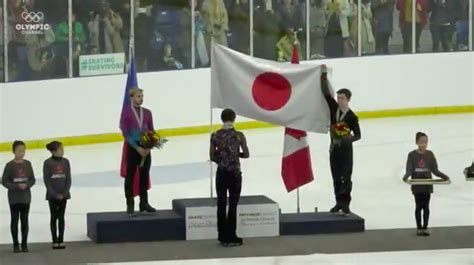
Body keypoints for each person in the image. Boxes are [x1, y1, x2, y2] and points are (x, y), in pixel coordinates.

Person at [320, 65, 361, 215]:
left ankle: (346, 204)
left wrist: (348, 139)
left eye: (342, 98)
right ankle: (338, 202)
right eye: (338, 97)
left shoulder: (351, 117)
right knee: (336, 178)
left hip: (346, 151)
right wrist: (323, 75)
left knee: (346, 179)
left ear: (348, 99)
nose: (339, 100)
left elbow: (358, 135)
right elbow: (325, 94)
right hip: (334, 150)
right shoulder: (333, 108)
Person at [210, 109, 250, 247]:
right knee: (232, 205)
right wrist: (234, 155)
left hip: (221, 173)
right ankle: (231, 236)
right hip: (234, 174)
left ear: (222, 119)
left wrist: (223, 159)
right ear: (233, 119)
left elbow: (212, 156)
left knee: (221, 204)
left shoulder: (215, 135)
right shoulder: (239, 136)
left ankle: (222, 236)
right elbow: (246, 154)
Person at [402, 132, 450, 236]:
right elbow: (409, 169)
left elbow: (435, 170)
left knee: (426, 206)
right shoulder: (412, 155)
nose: (423, 144)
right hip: (417, 185)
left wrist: (444, 176)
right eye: (421, 142)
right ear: (417, 142)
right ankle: (419, 227)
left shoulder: (430, 154)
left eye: (425, 142)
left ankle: (425, 227)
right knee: (419, 206)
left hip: (427, 184)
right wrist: (406, 176)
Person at [120, 87, 156, 216]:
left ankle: (144, 203)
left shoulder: (147, 112)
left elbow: (152, 131)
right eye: (138, 96)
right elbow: (125, 133)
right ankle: (130, 204)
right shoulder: (126, 113)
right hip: (133, 148)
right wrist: (137, 148)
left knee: (144, 176)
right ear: (131, 98)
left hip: (145, 148)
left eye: (142, 96)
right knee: (130, 176)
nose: (141, 99)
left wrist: (149, 146)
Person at [2, 141, 35, 253]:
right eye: (19, 150)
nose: (22, 153)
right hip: (14, 198)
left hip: (25, 197)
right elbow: (4, 181)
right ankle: (16, 244)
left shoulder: (28, 164)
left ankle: (24, 244)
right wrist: (16, 186)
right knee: (14, 221)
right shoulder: (9, 166)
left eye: (23, 150)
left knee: (25, 221)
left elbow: (32, 179)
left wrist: (27, 185)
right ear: (13, 151)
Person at [43, 141, 71, 249]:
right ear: (54, 151)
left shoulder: (66, 162)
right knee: (54, 217)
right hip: (52, 195)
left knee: (61, 217)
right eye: (61, 149)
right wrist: (54, 194)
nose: (63, 151)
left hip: (64, 195)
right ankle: (54, 239)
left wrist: (64, 193)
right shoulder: (48, 163)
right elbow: (47, 180)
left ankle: (61, 239)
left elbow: (68, 179)